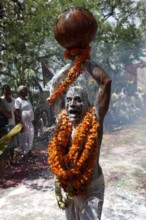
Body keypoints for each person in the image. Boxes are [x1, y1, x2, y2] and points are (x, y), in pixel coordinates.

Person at [48, 60, 111, 219]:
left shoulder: (95, 118)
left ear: (87, 104)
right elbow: (54, 86)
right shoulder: (63, 120)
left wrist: (85, 61)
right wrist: (72, 65)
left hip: (91, 189)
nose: (72, 104)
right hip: (69, 188)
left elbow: (105, 82)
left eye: (77, 99)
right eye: (68, 100)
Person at [15, 85, 34, 160]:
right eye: (25, 90)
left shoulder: (27, 100)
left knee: (30, 138)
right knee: (23, 139)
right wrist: (21, 123)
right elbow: (17, 112)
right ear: (20, 92)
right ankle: (23, 155)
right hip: (23, 123)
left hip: (30, 122)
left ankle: (29, 153)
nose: (27, 91)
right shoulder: (18, 100)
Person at [1, 84, 18, 165]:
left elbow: (15, 112)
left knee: (13, 143)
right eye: (5, 89)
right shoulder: (1, 100)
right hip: (5, 124)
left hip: (13, 123)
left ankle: (12, 160)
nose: (7, 91)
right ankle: (6, 162)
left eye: (8, 89)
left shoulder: (14, 100)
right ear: (2, 90)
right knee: (7, 144)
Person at [0, 97, 12, 181]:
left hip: (2, 131)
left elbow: (10, 115)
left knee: (2, 155)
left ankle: (1, 177)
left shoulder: (2, 101)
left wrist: (2, 110)